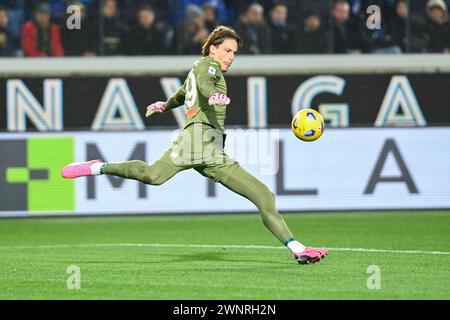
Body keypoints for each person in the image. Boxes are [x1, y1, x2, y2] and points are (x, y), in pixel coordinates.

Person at [61, 26, 328, 265]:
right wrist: (214, 94)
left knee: (264, 196)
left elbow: (183, 92)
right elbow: (204, 84)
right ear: (213, 48)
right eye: (226, 50)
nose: (230, 57)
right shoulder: (208, 66)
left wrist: (164, 105)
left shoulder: (199, 67)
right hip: (197, 140)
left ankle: (298, 249)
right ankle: (98, 167)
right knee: (154, 176)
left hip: (211, 150)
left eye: (234, 53)